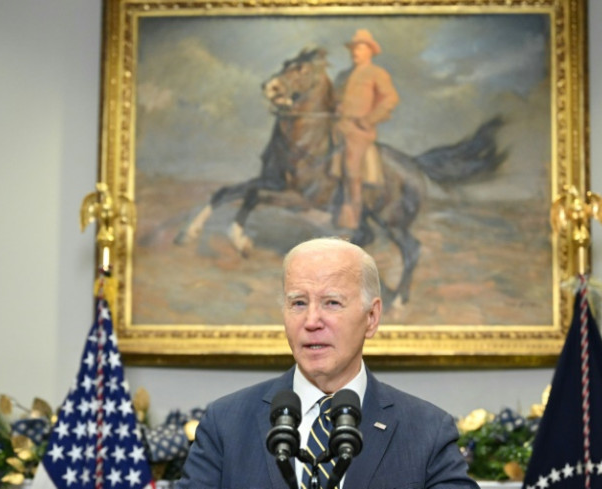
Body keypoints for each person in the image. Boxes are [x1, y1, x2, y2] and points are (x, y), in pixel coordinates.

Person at [176, 237, 478, 489]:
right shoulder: (225, 423)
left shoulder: (426, 430)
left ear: (371, 318)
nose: (311, 321)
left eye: (332, 303)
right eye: (298, 303)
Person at [331, 29, 400, 230]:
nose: (355, 52)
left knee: (351, 165)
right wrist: (336, 107)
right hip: (337, 126)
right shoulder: (342, 76)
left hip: (359, 130)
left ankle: (353, 215)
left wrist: (369, 119)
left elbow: (390, 99)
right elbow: (334, 99)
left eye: (360, 48)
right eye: (353, 48)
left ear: (370, 51)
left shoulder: (377, 74)